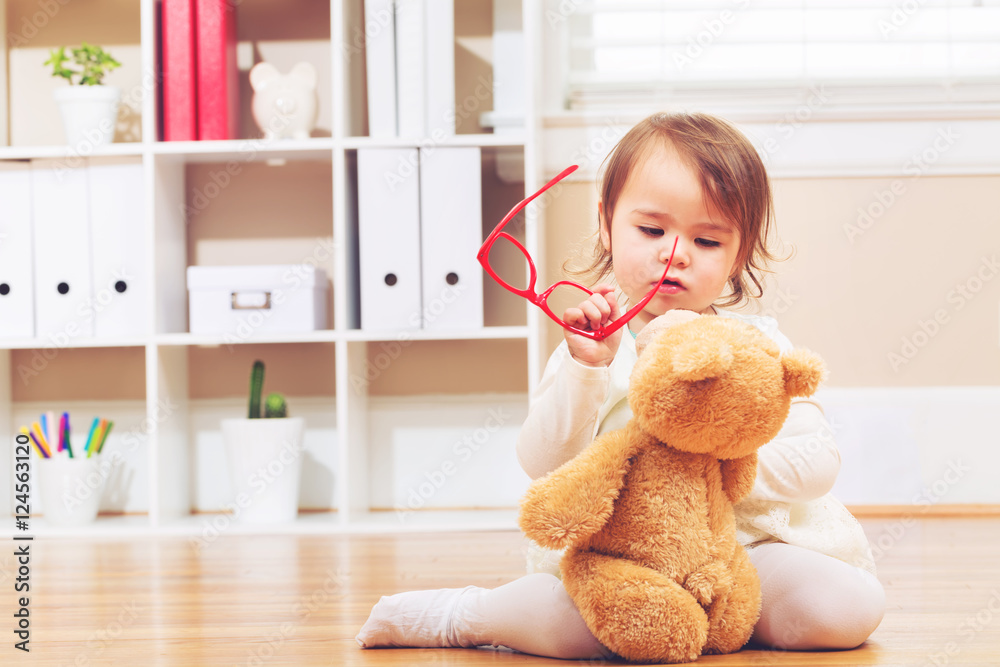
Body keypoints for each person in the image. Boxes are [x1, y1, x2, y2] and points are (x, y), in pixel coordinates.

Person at [356, 112, 885, 660]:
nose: (674, 253)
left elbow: (819, 463)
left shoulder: (756, 348)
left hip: (743, 550)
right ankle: (468, 614)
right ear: (608, 224)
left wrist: (710, 458)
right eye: (652, 230)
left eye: (706, 240)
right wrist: (585, 371)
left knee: (844, 609)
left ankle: (712, 618)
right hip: (622, 561)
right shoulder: (593, 346)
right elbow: (542, 463)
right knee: (568, 622)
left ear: (737, 256)